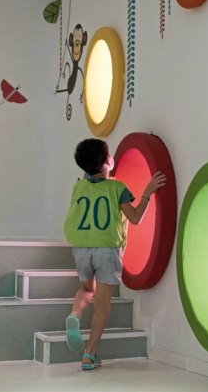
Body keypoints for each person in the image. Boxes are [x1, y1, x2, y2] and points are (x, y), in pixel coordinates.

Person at [62, 138, 166, 370]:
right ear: (107, 162)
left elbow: (90, 179)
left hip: (81, 248)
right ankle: (89, 355)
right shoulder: (117, 188)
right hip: (107, 250)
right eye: (109, 155)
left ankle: (75, 315)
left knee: (86, 290)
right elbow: (135, 218)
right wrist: (148, 192)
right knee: (102, 304)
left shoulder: (78, 187)